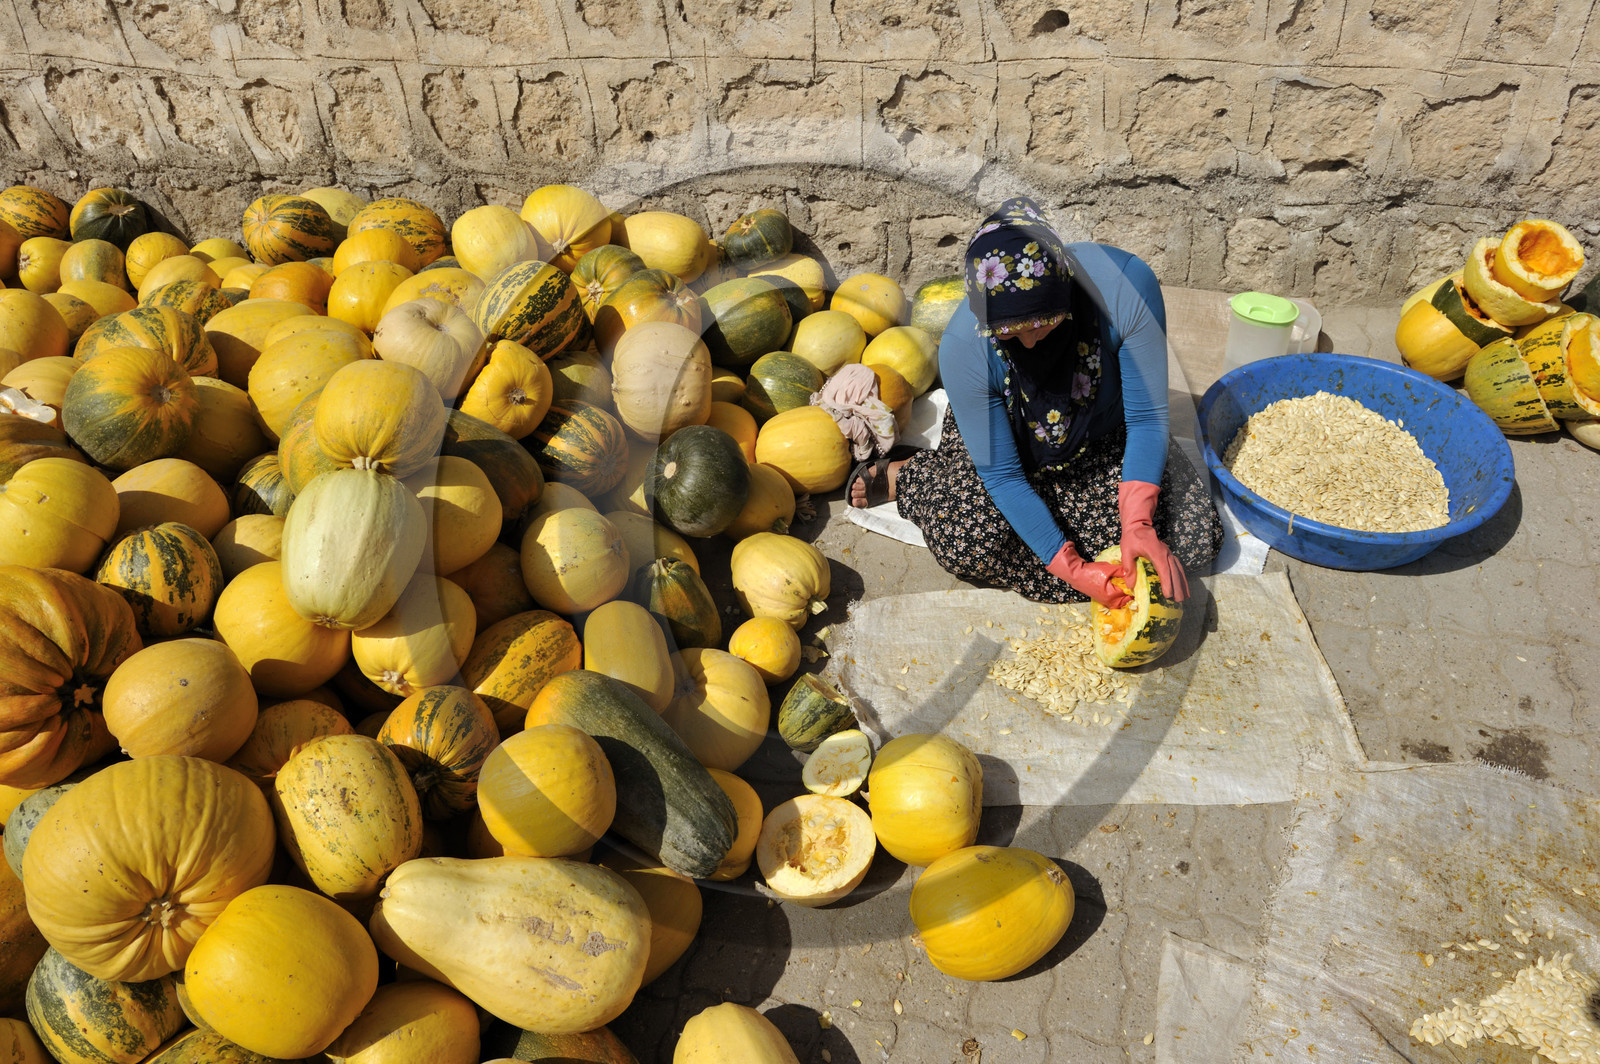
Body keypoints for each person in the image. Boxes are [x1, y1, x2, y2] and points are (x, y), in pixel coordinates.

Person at [847, 197, 1221, 607]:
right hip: (1012, 438)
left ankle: (1082, 528)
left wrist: (1138, 523)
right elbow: (1003, 477)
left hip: (1101, 433)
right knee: (969, 542)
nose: (1029, 342)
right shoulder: (964, 347)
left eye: (1044, 323)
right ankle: (916, 476)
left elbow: (1147, 418)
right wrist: (1072, 568)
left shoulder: (1124, 287)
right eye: (1009, 333)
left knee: (1193, 537)